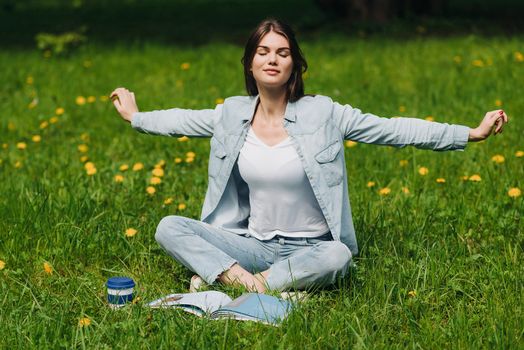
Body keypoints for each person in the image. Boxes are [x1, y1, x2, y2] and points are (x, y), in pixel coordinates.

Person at [110, 18, 508, 294]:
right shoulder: (231, 113)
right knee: (169, 227)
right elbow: (182, 120)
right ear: (251, 63)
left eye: (282, 52)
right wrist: (136, 117)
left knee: (338, 258)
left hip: (313, 247)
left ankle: (236, 281)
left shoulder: (325, 113)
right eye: (263, 51)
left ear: (294, 65)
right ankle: (261, 282)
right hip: (254, 244)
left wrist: (468, 134)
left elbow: (393, 129)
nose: (272, 59)